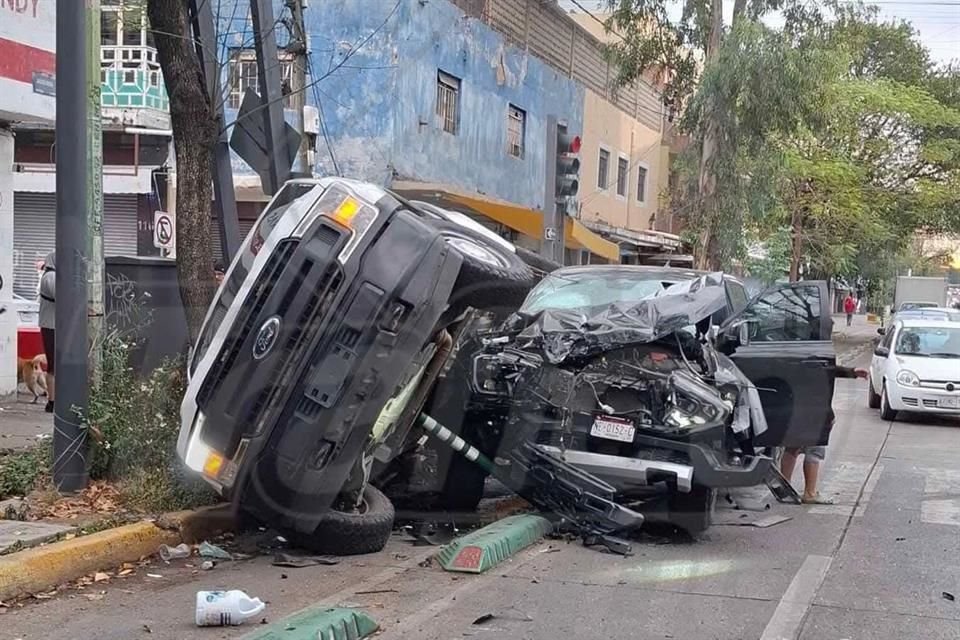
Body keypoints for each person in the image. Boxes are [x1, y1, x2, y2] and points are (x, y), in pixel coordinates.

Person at [780, 364, 868, 504]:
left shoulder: (795, 356)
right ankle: (810, 493)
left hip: (794, 407)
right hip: (817, 411)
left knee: (792, 447)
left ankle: (783, 490)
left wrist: (852, 372)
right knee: (814, 450)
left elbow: (829, 368)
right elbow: (827, 368)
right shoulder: (819, 353)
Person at [38, 252, 56, 414]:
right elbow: (62, 297)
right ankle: (52, 400)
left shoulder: (52, 276)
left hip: (54, 325)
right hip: (51, 325)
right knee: (54, 365)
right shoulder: (51, 277)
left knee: (56, 365)